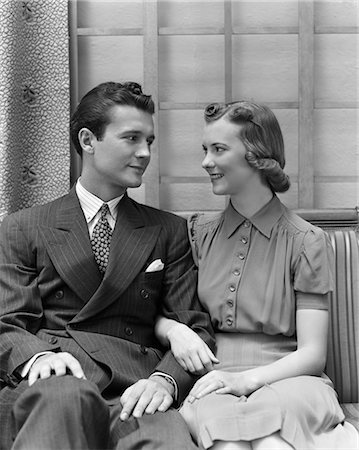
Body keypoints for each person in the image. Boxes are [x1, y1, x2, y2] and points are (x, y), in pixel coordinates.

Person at [0, 81, 216, 450]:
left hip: (139, 388)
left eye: (149, 141)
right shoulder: (24, 226)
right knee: (62, 401)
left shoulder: (168, 229)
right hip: (57, 376)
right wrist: (36, 357)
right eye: (131, 138)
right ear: (88, 140)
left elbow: (193, 328)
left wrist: (165, 380)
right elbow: (7, 323)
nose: (145, 152)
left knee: (167, 439)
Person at [155, 101, 359, 449]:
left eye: (219, 149)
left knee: (272, 445)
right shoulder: (197, 233)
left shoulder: (306, 241)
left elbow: (312, 354)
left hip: (291, 379)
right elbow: (161, 312)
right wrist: (173, 330)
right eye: (205, 149)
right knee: (228, 444)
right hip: (212, 381)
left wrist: (247, 381)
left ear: (256, 155)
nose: (206, 162)